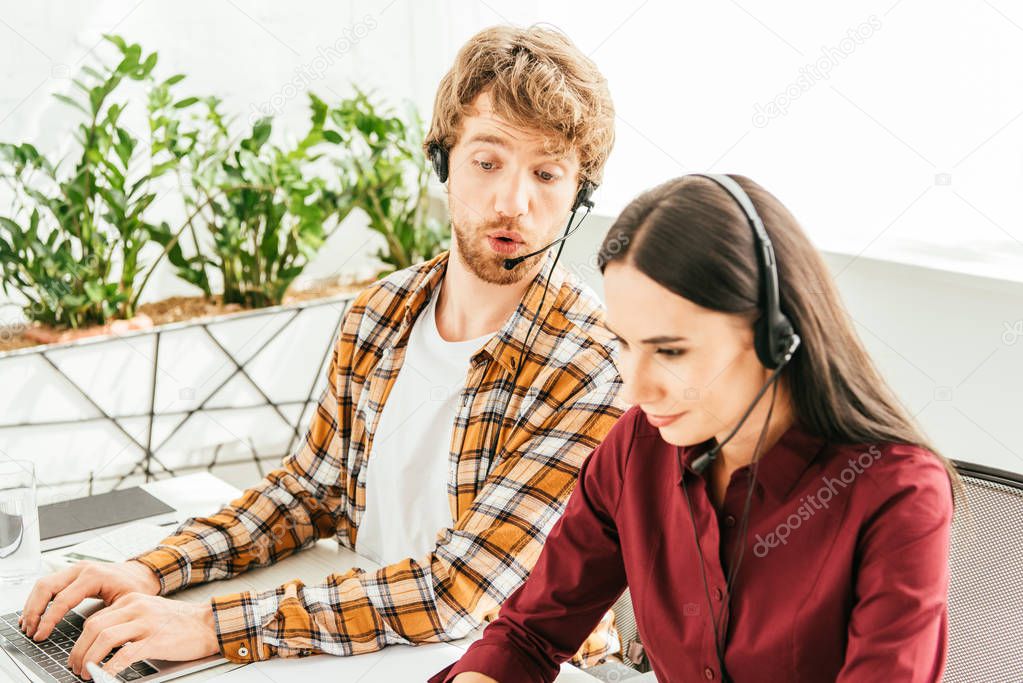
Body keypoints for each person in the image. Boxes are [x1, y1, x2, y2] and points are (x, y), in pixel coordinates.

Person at [18, 25, 626, 680]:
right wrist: (149, 568)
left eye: (546, 173)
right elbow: (307, 493)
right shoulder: (380, 313)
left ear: (579, 194)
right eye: (486, 161)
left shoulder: (591, 366)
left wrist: (211, 624)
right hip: (361, 644)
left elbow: (457, 592)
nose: (513, 202)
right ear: (441, 161)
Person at [435, 174, 959, 683]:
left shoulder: (896, 494)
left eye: (669, 351)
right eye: (624, 343)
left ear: (775, 336)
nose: (634, 390)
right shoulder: (636, 450)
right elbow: (530, 636)